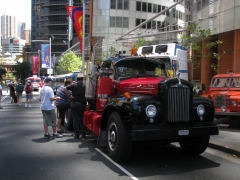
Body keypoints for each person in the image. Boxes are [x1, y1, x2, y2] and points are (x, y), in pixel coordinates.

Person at [64, 73, 86, 139]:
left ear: (77, 78)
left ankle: (77, 134)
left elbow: (65, 88)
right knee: (82, 119)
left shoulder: (74, 85)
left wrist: (69, 95)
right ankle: (83, 133)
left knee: (75, 119)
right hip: (82, 104)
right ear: (83, 79)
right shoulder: (85, 86)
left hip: (74, 103)